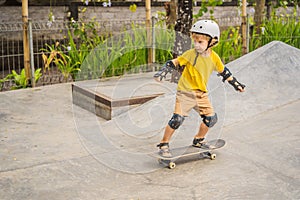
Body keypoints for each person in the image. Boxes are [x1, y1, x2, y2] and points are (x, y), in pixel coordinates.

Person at [153, 19, 245, 157]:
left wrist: (236, 84)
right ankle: (164, 143)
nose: (196, 45)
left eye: (200, 42)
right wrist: (162, 72)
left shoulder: (214, 58)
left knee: (211, 119)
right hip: (185, 92)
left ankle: (198, 140)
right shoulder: (190, 54)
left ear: (212, 42)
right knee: (177, 119)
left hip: (201, 94)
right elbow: (175, 62)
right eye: (195, 41)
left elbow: (224, 71)